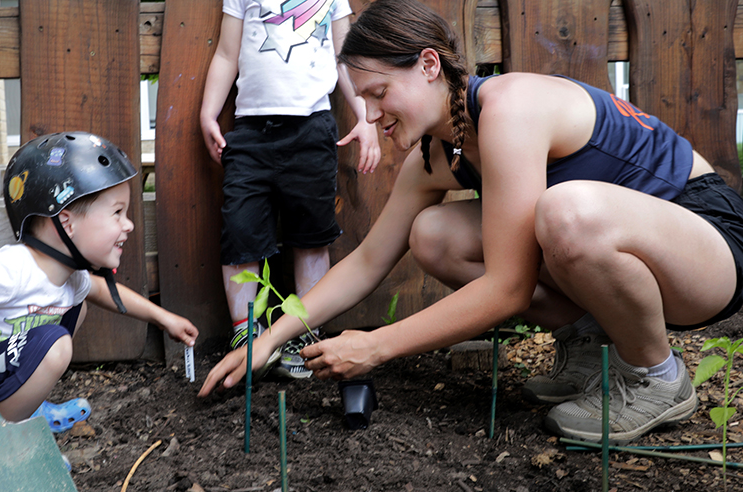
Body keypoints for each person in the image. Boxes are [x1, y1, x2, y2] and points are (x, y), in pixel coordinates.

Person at [199, 0, 743, 444]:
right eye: (362, 99)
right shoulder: (436, 154)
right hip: (634, 259)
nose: (370, 115)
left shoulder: (509, 108)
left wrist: (377, 345)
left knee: (565, 213)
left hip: (706, 242)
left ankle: (656, 377)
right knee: (433, 236)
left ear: (429, 64)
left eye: (379, 93)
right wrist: (267, 339)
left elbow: (507, 289)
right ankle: (590, 349)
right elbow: (367, 262)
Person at [0, 132, 198, 443]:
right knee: (54, 344)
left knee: (76, 307)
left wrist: (164, 318)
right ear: (66, 222)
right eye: (117, 212)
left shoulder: (69, 276)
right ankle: (0, 448)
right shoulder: (11, 271)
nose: (129, 224)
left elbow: (99, 290)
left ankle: (24, 410)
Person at [200, 0, 381, 379]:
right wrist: (208, 113)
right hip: (250, 132)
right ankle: (246, 335)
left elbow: (344, 57)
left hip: (311, 131)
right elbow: (227, 53)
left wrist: (366, 117)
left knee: (311, 237)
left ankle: (304, 333)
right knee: (240, 231)